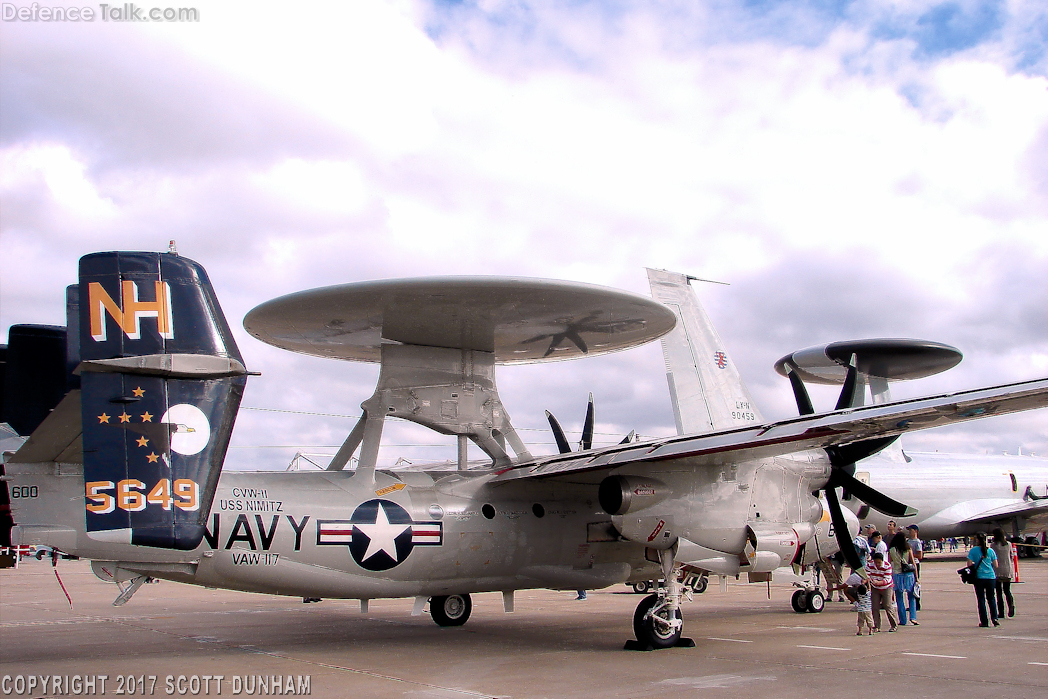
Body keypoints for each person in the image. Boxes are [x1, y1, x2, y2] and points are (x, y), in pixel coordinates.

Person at [966, 532, 999, 627]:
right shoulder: (991, 551)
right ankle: (995, 618)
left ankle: (984, 621)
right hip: (991, 577)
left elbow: (969, 564)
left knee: (981, 600)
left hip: (979, 578)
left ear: (977, 540)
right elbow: (996, 565)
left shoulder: (973, 551)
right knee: (991, 598)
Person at [889, 532, 918, 625]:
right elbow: (913, 563)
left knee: (899, 597)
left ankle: (903, 619)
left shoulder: (892, 549)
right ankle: (913, 617)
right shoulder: (907, 548)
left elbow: (890, 563)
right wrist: (916, 577)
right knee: (911, 596)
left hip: (897, 574)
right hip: (908, 574)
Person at [865, 551, 898, 632]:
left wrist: (878, 582)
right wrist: (867, 581)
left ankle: (894, 625)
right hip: (875, 587)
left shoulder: (887, 566)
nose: (877, 564)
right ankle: (877, 626)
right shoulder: (869, 565)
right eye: (876, 562)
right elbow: (867, 575)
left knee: (887, 605)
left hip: (886, 587)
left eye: (879, 562)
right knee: (875, 607)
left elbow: (887, 579)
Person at [990, 529, 1015, 618]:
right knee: (1007, 590)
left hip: (997, 570)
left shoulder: (993, 545)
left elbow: (992, 557)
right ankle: (1011, 606)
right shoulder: (1008, 544)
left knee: (999, 592)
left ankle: (1001, 612)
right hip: (1007, 569)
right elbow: (1011, 556)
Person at [906, 525, 924, 610]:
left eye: (911, 530)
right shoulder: (908, 541)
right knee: (909, 584)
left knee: (915, 584)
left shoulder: (917, 542)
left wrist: (910, 554)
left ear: (915, 531)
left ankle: (917, 603)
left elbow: (920, 555)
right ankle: (911, 604)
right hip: (908, 563)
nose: (909, 532)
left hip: (915, 563)